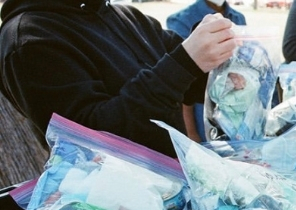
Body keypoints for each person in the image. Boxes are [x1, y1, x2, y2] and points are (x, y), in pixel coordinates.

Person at [0, 0, 237, 159]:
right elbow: (93, 141)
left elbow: (192, 83)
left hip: (175, 195)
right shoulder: (29, 38)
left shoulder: (126, 16)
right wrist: (185, 63)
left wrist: (225, 71)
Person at [167, 0, 246, 143]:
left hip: (233, 113)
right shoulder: (181, 20)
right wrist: (190, 132)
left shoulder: (237, 18)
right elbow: (182, 79)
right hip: (202, 114)